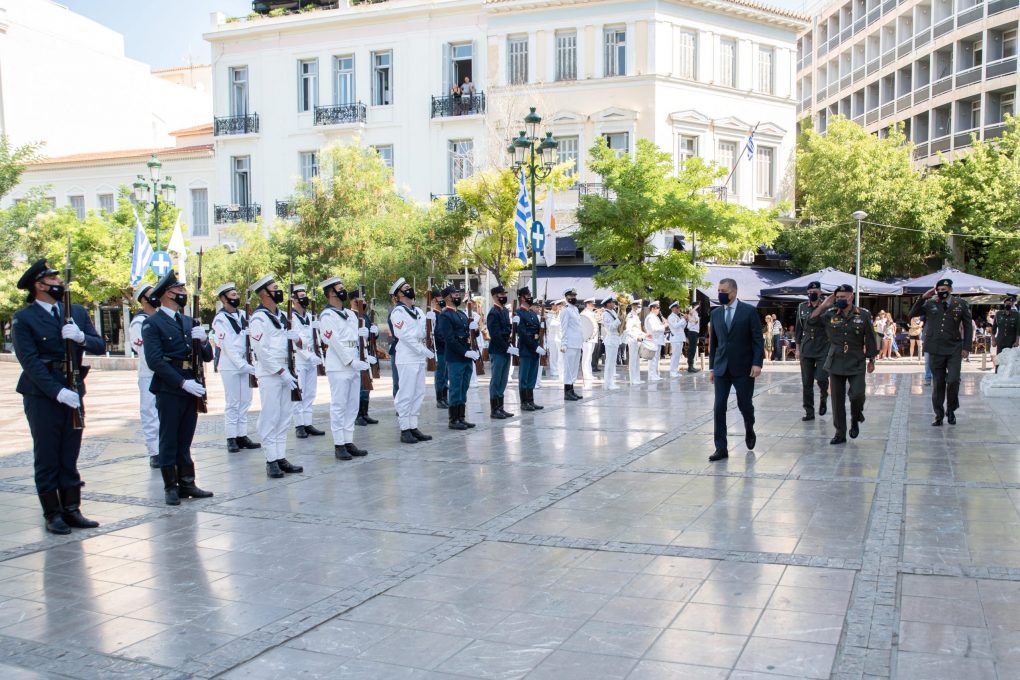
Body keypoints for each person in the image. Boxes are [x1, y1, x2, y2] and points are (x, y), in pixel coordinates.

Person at [13, 258, 106, 533]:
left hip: (74, 388)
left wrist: (81, 339)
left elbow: (99, 345)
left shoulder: (75, 312)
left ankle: (72, 508)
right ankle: (52, 513)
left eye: (57, 279)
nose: (58, 283)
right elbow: (29, 362)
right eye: (52, 280)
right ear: (38, 286)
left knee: (70, 452)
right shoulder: (24, 318)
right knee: (47, 455)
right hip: (42, 395)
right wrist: (57, 392)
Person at [141, 270, 214, 505]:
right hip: (170, 387)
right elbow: (155, 361)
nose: (184, 293)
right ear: (166, 294)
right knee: (169, 438)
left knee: (185, 438)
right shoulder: (152, 323)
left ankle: (188, 483)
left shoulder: (186, 321)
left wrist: (203, 340)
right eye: (179, 290)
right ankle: (171, 486)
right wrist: (182, 382)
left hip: (191, 384)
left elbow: (207, 357)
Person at [248, 275, 306, 478]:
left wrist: (297, 339)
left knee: (284, 416)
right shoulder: (258, 318)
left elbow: (301, 342)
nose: (278, 291)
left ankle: (280, 456)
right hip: (271, 373)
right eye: (275, 288)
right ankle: (270, 459)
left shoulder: (283, 315)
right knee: (270, 416)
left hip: (287, 370)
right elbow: (261, 350)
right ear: (264, 293)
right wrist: (281, 372)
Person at [810, 285, 878, 444]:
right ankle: (840, 432)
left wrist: (872, 359)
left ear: (851, 297)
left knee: (857, 395)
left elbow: (870, 338)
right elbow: (811, 322)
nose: (841, 299)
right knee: (837, 400)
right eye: (838, 297)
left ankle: (855, 418)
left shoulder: (863, 314)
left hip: (856, 360)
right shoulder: (830, 314)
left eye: (844, 297)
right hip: (836, 361)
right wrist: (824, 304)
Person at [708, 278, 764, 461]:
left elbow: (757, 340)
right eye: (719, 290)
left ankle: (749, 426)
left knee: (744, 404)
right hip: (721, 369)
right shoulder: (715, 313)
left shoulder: (749, 311)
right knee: (719, 407)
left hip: (744, 368)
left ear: (734, 292)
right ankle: (721, 448)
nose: (720, 294)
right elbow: (714, 343)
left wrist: (757, 363)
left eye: (723, 290)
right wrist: (711, 368)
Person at [319, 277, 370, 460]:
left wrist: (363, 346)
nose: (343, 291)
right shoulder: (326, 316)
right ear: (331, 293)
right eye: (340, 288)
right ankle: (339, 444)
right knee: (339, 405)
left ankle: (348, 440)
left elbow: (354, 339)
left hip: (354, 362)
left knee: (352, 405)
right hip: (339, 365)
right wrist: (350, 361)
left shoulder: (350, 313)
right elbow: (334, 342)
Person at [909, 278, 972, 426]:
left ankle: (951, 410)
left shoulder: (961, 304)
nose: (942, 292)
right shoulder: (930, 303)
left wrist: (966, 347)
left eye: (944, 289)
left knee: (954, 380)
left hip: (954, 347)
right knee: (938, 383)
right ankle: (938, 414)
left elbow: (968, 326)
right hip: (935, 347)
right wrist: (923, 297)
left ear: (950, 290)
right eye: (939, 290)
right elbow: (912, 314)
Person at [211, 283, 262, 453]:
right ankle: (231, 437)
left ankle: (242, 435)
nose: (236, 298)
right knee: (233, 402)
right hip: (231, 366)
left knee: (245, 401)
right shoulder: (220, 319)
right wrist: (243, 365)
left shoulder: (244, 315)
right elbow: (226, 345)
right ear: (224, 299)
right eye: (232, 295)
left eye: (236, 295)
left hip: (246, 363)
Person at [388, 277, 434, 443]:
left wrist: (431, 321)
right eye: (405, 288)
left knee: (418, 392)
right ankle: (404, 428)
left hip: (419, 357)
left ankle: (413, 425)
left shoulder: (419, 311)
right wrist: (423, 350)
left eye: (409, 287)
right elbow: (405, 336)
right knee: (406, 393)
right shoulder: (398, 313)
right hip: (407, 357)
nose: (409, 290)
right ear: (398, 295)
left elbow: (423, 333)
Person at [436, 284, 477, 429]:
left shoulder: (462, 314)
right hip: (455, 357)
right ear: (447, 297)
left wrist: (475, 330)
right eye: (454, 294)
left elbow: (468, 334)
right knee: (455, 388)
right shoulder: (445, 315)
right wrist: (464, 352)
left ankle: (461, 417)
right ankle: (453, 420)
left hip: (466, 356)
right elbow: (449, 339)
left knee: (464, 387)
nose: (457, 296)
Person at [129, 284, 160, 468]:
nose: (155, 297)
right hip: (149, 373)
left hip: (164, 373)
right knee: (150, 412)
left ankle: (163, 447)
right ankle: (154, 452)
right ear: (143, 299)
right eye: (151, 295)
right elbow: (144, 352)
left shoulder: (159, 318)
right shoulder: (139, 322)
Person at [289, 285, 327, 437]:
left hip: (312, 358)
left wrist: (320, 328)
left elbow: (317, 339)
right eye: (301, 295)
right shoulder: (290, 317)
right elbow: (294, 340)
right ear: (294, 299)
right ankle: (299, 425)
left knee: (310, 393)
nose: (304, 298)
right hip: (299, 358)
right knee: (300, 392)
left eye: (305, 295)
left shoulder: (310, 316)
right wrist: (308, 355)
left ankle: (308, 423)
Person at [795, 281, 829, 421]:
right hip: (807, 346)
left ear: (820, 292)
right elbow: (799, 328)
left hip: (823, 346)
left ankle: (824, 396)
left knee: (821, 377)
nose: (812, 293)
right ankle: (809, 411)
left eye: (814, 291)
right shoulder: (802, 307)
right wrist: (797, 348)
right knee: (806, 382)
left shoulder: (827, 306)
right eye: (809, 291)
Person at [349, 288, 381, 427]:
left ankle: (365, 413)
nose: (365, 302)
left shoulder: (365, 316)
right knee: (359, 385)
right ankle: (357, 415)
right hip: (357, 352)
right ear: (354, 300)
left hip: (367, 352)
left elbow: (370, 336)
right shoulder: (350, 315)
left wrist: (375, 332)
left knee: (367, 384)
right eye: (362, 299)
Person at [514, 287, 546, 411]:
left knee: (532, 376)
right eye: (528, 295)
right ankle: (524, 402)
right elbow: (522, 333)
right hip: (526, 349)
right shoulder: (519, 313)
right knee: (524, 377)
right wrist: (535, 347)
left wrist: (543, 326)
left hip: (535, 348)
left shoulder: (532, 313)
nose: (530, 297)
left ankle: (530, 401)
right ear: (522, 298)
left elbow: (538, 331)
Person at [486, 285, 515, 419]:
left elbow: (507, 329)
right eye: (501, 295)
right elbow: (495, 334)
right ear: (494, 296)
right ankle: (494, 409)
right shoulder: (493, 312)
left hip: (505, 349)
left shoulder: (503, 311)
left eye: (504, 294)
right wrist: (506, 347)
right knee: (496, 379)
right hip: (498, 350)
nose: (503, 296)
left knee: (503, 380)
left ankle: (501, 407)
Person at [559, 288, 583, 401]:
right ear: (567, 297)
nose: (574, 298)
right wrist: (563, 343)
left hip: (577, 343)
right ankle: (567, 392)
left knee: (574, 369)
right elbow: (563, 328)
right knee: (568, 369)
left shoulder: (575, 310)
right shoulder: (565, 310)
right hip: (569, 344)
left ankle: (572, 390)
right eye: (571, 296)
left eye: (575, 295)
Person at [427, 290, 449, 409]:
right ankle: (439, 399)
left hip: (446, 349)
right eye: (439, 299)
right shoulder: (433, 316)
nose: (442, 301)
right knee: (440, 375)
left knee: (445, 375)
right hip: (439, 349)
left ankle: (445, 397)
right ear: (434, 301)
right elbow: (435, 334)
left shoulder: (442, 314)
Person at [601, 296, 623, 390]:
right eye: (612, 302)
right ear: (608, 304)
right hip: (610, 340)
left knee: (612, 363)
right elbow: (610, 327)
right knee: (609, 363)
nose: (614, 303)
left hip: (615, 339)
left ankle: (611, 382)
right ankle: (608, 384)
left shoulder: (613, 312)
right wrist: (619, 320)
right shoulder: (606, 314)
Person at [992, 295, 1019, 369]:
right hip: (1000, 341)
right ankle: (997, 375)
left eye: (1010, 303)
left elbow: (1018, 329)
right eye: (1007, 303)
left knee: (1010, 362)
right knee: (999, 360)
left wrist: (1017, 341)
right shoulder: (998, 314)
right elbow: (994, 328)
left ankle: (1007, 378)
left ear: (1012, 304)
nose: (1008, 305)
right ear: (1004, 304)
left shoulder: (1016, 315)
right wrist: (993, 340)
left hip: (1011, 342)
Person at [644, 301, 666, 382]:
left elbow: (658, 327)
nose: (658, 310)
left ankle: (655, 374)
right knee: (652, 360)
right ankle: (652, 375)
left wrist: (662, 324)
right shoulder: (650, 317)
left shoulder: (655, 317)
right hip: (653, 341)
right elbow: (654, 329)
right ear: (652, 308)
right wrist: (664, 326)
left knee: (656, 359)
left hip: (657, 340)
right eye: (657, 308)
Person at [625, 300, 645, 385]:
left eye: (639, 306)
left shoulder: (636, 316)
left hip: (637, 340)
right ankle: (633, 379)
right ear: (633, 306)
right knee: (633, 360)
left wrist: (645, 334)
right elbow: (628, 330)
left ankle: (637, 378)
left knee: (637, 360)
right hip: (633, 340)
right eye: (638, 306)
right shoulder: (631, 316)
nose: (639, 308)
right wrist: (636, 337)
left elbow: (637, 329)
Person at [580, 298, 598, 387]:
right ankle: (586, 374)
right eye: (592, 304)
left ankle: (589, 373)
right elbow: (584, 326)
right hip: (587, 338)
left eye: (593, 304)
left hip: (593, 338)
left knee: (589, 357)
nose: (593, 306)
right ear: (587, 304)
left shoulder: (592, 313)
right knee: (586, 357)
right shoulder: (584, 313)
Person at [667, 301, 687, 378]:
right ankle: (672, 372)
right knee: (674, 356)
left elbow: (682, 327)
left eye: (678, 307)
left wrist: (685, 320)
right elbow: (675, 326)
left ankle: (675, 371)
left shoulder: (677, 317)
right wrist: (683, 320)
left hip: (679, 338)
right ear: (673, 308)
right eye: (677, 307)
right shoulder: (671, 317)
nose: (679, 309)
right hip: (675, 338)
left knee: (678, 356)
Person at [546, 300, 562, 378]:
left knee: (559, 354)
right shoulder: (549, 314)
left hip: (559, 336)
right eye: (555, 305)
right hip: (552, 337)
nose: (557, 307)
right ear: (552, 306)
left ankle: (559, 369)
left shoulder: (559, 313)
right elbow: (552, 324)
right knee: (553, 355)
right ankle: (553, 370)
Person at [685, 306, 701, 373]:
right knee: (692, 349)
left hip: (694, 332)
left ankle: (691, 366)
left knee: (693, 349)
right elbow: (690, 312)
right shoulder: (692, 312)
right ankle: (690, 366)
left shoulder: (695, 313)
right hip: (692, 332)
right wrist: (696, 306)